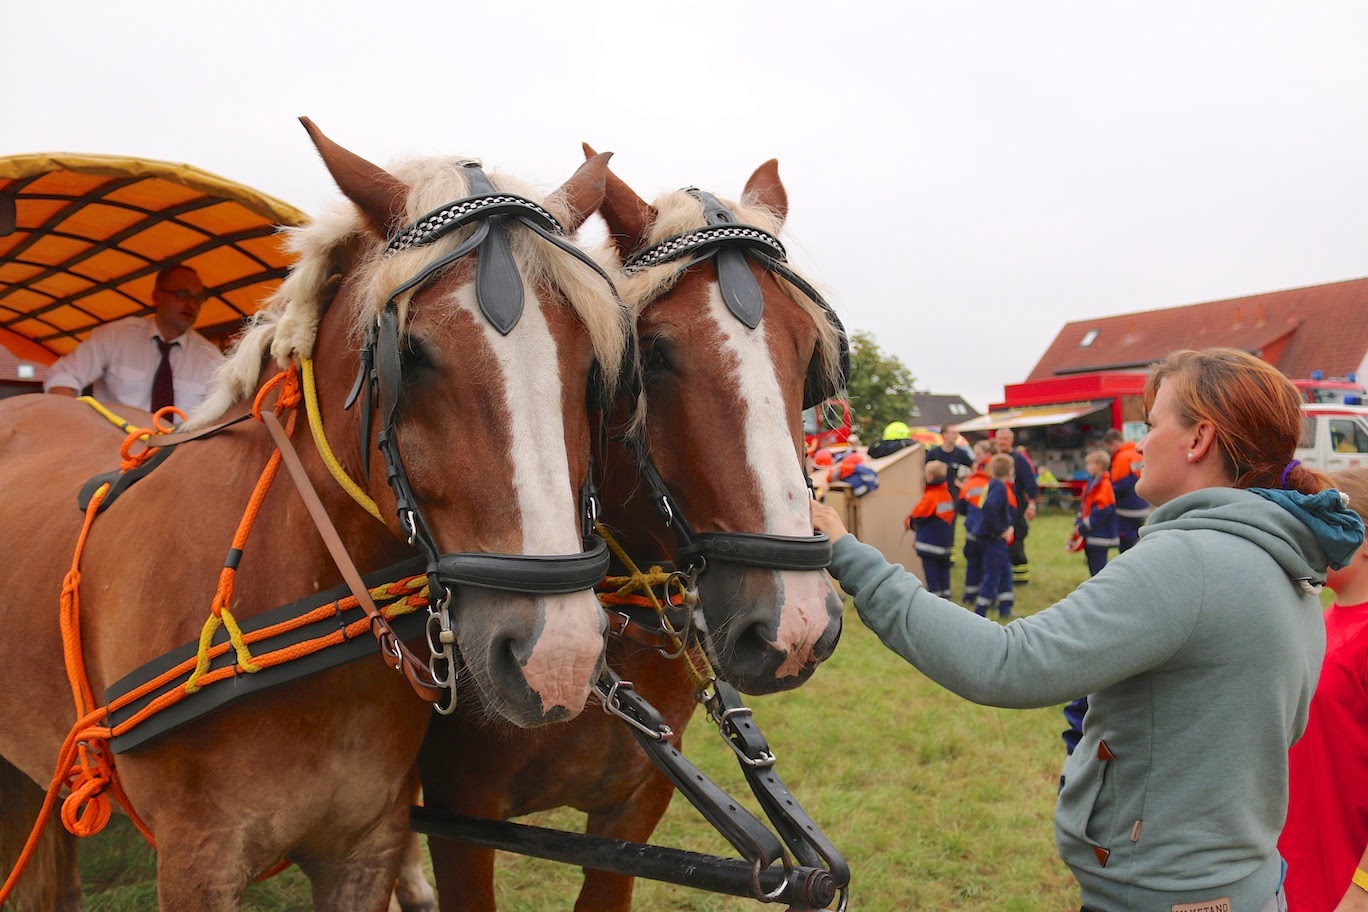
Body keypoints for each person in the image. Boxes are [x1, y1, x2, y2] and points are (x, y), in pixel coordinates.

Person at [812, 348, 1364, 912]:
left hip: (1158, 896)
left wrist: (852, 558)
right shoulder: (1290, 563)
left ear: (1198, 439)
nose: (1138, 445)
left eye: (1151, 426)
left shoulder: (1189, 561)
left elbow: (1007, 663)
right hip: (1245, 885)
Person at [1279, 468, 1368, 912]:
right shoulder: (1318, 621)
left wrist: (1361, 892)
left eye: (1323, 525)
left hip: (1346, 888)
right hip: (1295, 876)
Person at [44, 264, 224, 413]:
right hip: (115, 448)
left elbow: (223, 412)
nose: (191, 304)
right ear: (157, 297)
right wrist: (74, 422)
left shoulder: (210, 357)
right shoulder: (115, 336)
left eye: (198, 298)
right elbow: (62, 376)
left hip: (179, 453)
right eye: (182, 295)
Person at [966, 453, 1016, 619]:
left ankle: (1005, 609)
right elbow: (989, 507)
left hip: (988, 536)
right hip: (993, 538)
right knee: (992, 574)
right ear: (1009, 471)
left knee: (1005, 571)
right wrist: (1000, 529)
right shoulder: (1000, 487)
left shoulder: (992, 484)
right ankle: (980, 611)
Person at [958, 440, 1002, 606]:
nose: (975, 458)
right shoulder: (991, 478)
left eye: (978, 454)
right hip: (987, 528)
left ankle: (971, 596)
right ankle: (985, 597)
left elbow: (962, 505)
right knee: (985, 564)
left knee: (975, 562)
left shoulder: (978, 479)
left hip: (975, 526)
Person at [994, 428, 1040, 586]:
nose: (1001, 442)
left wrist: (1032, 505)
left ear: (1011, 441)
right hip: (995, 509)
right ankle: (1001, 577)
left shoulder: (1019, 460)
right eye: (999, 439)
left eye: (1004, 439)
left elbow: (1030, 484)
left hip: (1015, 509)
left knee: (1016, 545)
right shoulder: (992, 459)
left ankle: (1020, 580)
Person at [906, 460, 956, 598]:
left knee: (932, 575)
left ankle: (935, 600)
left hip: (929, 545)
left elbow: (918, 516)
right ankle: (946, 598)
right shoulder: (947, 494)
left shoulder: (931, 496)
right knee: (944, 573)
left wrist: (908, 522)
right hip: (944, 544)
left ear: (929, 476)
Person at [1104, 428, 1151, 551]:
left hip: (1126, 510)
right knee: (1136, 540)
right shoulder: (1137, 453)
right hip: (1143, 506)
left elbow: (1120, 486)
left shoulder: (1121, 457)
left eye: (1109, 448)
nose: (1110, 451)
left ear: (1114, 443)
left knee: (1126, 545)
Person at [1075, 449, 1120, 577]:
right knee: (1092, 564)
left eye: (1090, 464)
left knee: (1098, 568)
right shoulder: (1092, 483)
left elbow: (1103, 509)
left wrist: (1085, 524)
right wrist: (1079, 521)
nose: (1087, 467)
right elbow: (1085, 506)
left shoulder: (1104, 485)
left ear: (1099, 466)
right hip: (1092, 533)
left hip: (1100, 534)